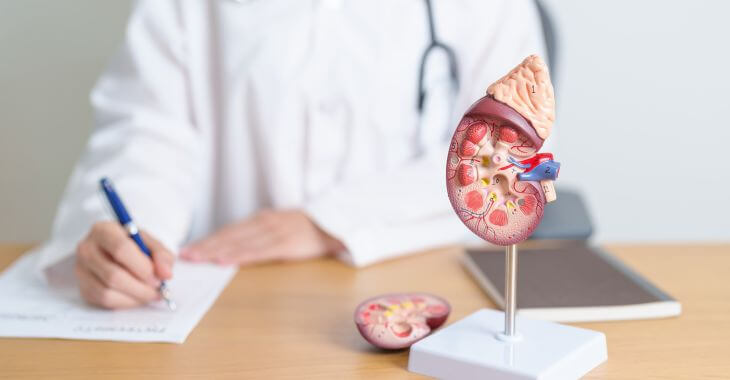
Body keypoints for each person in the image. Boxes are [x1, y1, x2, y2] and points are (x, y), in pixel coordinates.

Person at [31, 0, 547, 309]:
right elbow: (149, 123)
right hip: (224, 297)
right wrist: (131, 236)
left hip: (410, 281)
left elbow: (510, 155)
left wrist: (329, 221)